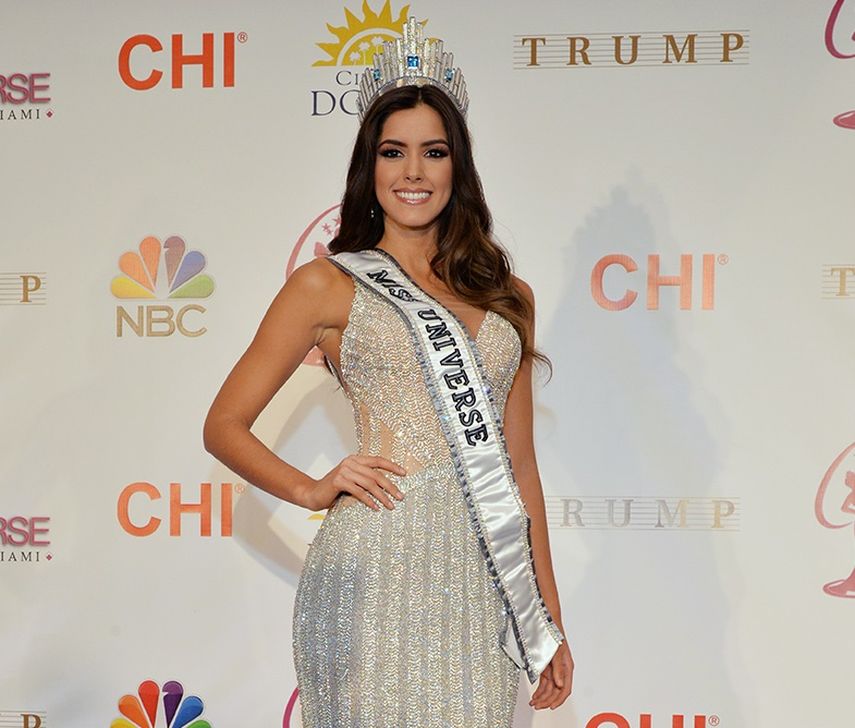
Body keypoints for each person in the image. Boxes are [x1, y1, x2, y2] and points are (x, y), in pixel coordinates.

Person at [203, 17, 574, 727]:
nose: (413, 173)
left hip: (480, 581)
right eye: (392, 152)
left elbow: (520, 468)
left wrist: (545, 618)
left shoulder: (508, 296)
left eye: (433, 152)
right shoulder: (326, 284)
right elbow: (223, 425)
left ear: (457, 168)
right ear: (368, 168)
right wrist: (312, 488)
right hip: (371, 569)